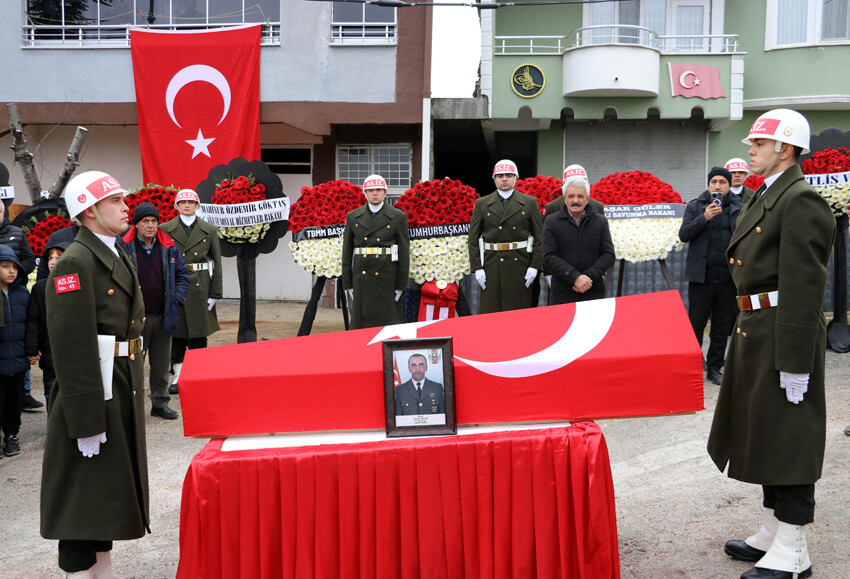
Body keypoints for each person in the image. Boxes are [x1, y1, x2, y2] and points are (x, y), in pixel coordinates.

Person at [707, 109, 835, 579]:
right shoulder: (772, 194)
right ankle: (772, 528)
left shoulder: (800, 199)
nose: (749, 149)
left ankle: (794, 548)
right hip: (755, 326)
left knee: (791, 437)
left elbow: (804, 285)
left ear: (784, 148)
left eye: (758, 143)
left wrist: (797, 359)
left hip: (783, 329)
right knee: (764, 431)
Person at [40, 170, 150, 578]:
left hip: (117, 384)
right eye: (114, 202)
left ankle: (102, 574)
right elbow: (72, 348)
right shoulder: (75, 261)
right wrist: (86, 420)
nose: (126, 208)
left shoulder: (112, 250)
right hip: (92, 393)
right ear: (88, 211)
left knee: (102, 496)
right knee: (81, 500)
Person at [122, 202, 188, 420]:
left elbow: (182, 276)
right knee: (134, 365)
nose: (150, 225)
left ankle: (160, 403)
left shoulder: (169, 247)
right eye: (145, 221)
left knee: (160, 365)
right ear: (137, 224)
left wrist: (176, 300)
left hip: (163, 316)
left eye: (153, 221)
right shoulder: (123, 247)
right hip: (135, 318)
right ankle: (131, 406)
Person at [678, 167, 743, 385]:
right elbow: (684, 234)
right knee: (695, 325)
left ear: (728, 185)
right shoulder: (696, 206)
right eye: (714, 181)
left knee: (721, 327)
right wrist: (703, 218)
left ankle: (715, 367)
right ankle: (693, 365)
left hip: (728, 278)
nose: (717, 185)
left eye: (722, 182)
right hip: (701, 278)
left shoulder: (738, 207)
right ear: (708, 184)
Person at [159, 189, 222, 395]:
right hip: (176, 282)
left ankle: (199, 374)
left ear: (197, 205)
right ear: (176, 206)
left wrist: (215, 292)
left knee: (199, 332)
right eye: (183, 202)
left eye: (191, 202)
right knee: (177, 333)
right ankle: (179, 375)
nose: (187, 205)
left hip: (201, 284)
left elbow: (217, 262)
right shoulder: (165, 228)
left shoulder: (209, 229)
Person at [468, 159, 543, 313]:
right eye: (500, 175)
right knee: (492, 313)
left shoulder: (529, 203)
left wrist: (535, 266)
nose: (504, 179)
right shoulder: (482, 203)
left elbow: (539, 237)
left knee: (519, 313)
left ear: (516, 178)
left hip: (521, 265)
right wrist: (477, 268)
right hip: (492, 266)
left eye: (509, 175)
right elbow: (473, 239)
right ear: (494, 178)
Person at [341, 175, 410, 329]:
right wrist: (348, 283)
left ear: (385, 192)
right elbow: (347, 252)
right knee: (360, 327)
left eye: (378, 190)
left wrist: (401, 285)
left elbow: (404, 253)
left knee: (388, 324)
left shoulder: (398, 216)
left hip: (387, 277)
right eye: (370, 190)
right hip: (361, 278)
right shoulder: (353, 216)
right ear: (365, 193)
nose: (375, 193)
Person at [542, 175, 615, 304]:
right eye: (571, 196)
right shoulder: (552, 221)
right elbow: (549, 256)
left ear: (587, 199)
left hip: (593, 290)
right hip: (562, 293)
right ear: (564, 199)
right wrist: (574, 277)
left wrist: (587, 277)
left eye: (580, 196)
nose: (575, 200)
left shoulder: (600, 221)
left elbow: (608, 254)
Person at [0, 201, 41, 411]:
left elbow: (28, 258)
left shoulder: (16, 232)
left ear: (3, 212)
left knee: (19, 335)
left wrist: (17, 277)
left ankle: (23, 392)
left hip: (14, 293)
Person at [26, 238, 71, 413]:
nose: (53, 262)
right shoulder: (40, 288)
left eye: (58, 257)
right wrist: (32, 349)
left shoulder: (76, 284)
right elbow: (33, 320)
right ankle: (54, 430)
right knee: (51, 392)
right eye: (50, 258)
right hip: (49, 352)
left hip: (72, 352)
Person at [0, 245, 30, 458]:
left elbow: (31, 325)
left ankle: (11, 435)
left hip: (18, 360)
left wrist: (32, 350)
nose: (11, 271)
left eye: (14, 267)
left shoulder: (22, 294)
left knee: (15, 402)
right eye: (4, 266)